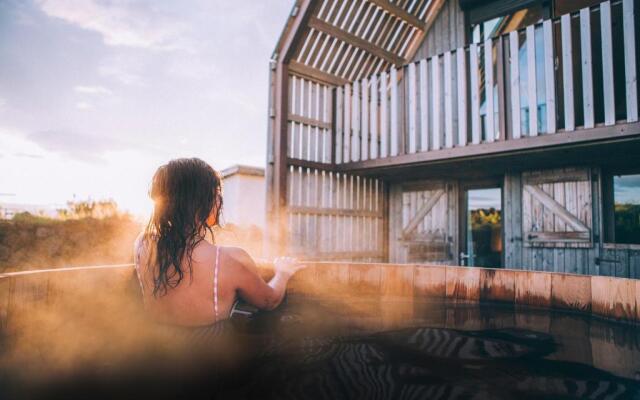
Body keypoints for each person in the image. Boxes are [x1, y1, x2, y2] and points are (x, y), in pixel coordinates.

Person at [133, 158, 304, 329]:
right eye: (215, 193)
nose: (219, 200)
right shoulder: (230, 259)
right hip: (209, 350)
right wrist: (283, 272)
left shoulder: (143, 244)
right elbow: (269, 300)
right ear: (200, 202)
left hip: (157, 347)